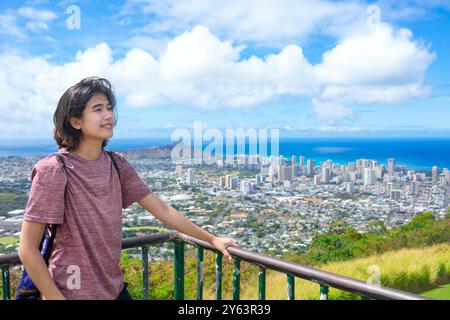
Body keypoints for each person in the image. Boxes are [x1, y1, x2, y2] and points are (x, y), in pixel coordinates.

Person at [18, 77, 238, 300]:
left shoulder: (117, 164)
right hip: (70, 292)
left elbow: (162, 210)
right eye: (97, 109)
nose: (108, 115)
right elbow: (27, 249)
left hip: (114, 290)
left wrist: (212, 239)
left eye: (109, 108)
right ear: (76, 122)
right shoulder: (54, 170)